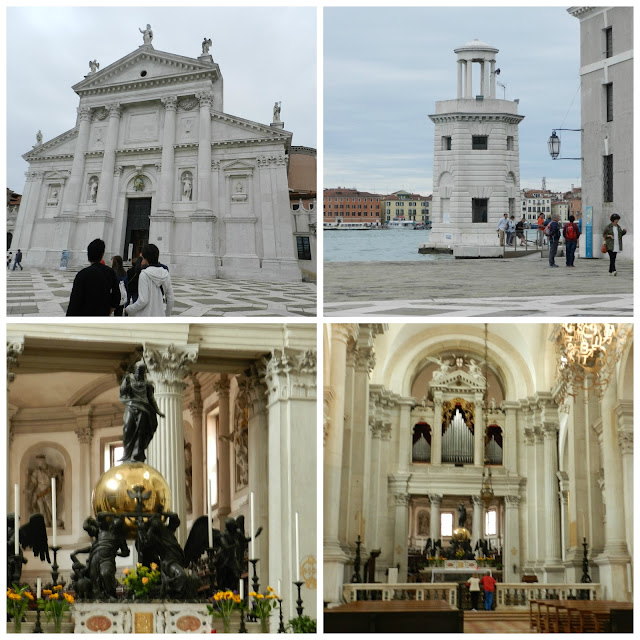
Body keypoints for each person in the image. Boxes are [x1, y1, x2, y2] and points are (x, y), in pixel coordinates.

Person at [119, 362, 165, 463]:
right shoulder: (129, 379)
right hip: (131, 406)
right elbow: (123, 392)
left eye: (141, 370)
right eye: (137, 369)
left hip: (144, 409)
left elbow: (151, 400)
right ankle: (127, 454)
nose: (138, 372)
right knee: (127, 428)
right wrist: (125, 384)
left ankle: (137, 455)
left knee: (140, 433)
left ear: (144, 372)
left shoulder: (147, 384)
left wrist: (158, 411)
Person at [66, 239, 120, 315]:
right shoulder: (110, 272)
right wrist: (108, 311)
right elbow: (117, 297)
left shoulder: (82, 274)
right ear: (102, 254)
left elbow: (74, 302)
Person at [124, 244, 174, 317]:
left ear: (146, 259)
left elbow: (143, 300)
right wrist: (167, 315)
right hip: (160, 315)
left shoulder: (144, 274)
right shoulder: (165, 274)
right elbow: (171, 299)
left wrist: (129, 309)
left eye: (142, 258)